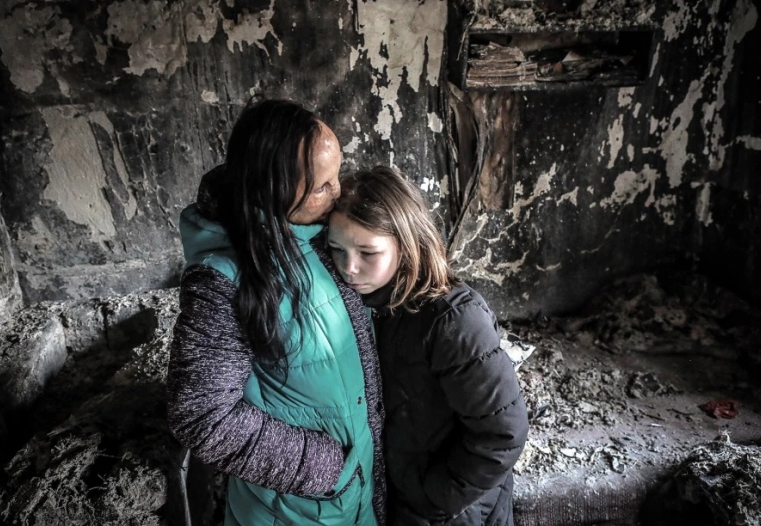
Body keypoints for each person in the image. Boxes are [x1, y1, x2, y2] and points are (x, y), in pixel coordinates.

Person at [166, 98, 385, 526]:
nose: (339, 192)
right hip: (298, 509)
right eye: (322, 186)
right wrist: (325, 469)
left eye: (336, 175)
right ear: (273, 191)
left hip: (354, 495)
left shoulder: (318, 235)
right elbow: (200, 413)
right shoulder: (222, 280)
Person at [327, 165, 529, 526]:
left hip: (452, 511)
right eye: (336, 249)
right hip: (404, 497)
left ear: (406, 245)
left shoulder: (453, 320)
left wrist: (434, 498)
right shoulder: (372, 305)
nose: (349, 268)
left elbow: (503, 433)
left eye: (367, 253)